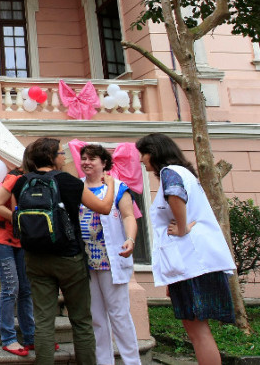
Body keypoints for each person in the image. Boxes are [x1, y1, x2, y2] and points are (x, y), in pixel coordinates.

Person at [11, 137, 114, 365]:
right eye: (60, 153)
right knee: (81, 321)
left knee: (44, 321)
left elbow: (13, 214)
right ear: (50, 157)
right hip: (70, 257)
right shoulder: (69, 182)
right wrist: (111, 184)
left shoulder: (21, 182)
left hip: (35, 259)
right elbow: (104, 207)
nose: (64, 157)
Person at [136, 133, 236, 365]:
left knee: (198, 332)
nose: (142, 159)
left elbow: (175, 196)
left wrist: (182, 227)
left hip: (193, 264)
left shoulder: (169, 173)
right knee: (199, 331)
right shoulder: (184, 173)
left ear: (156, 152)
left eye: (144, 153)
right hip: (195, 263)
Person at [77, 144, 141, 365]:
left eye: (92, 158)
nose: (86, 162)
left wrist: (130, 239)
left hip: (110, 259)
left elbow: (128, 216)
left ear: (104, 163)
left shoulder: (119, 187)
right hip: (86, 262)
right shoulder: (78, 187)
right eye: (84, 158)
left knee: (119, 315)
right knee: (96, 317)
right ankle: (104, 362)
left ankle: (132, 361)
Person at [0, 165, 36, 357]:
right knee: (11, 287)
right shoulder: (15, 179)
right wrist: (21, 219)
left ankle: (30, 337)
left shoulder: (38, 182)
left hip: (19, 239)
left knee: (25, 288)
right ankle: (8, 338)